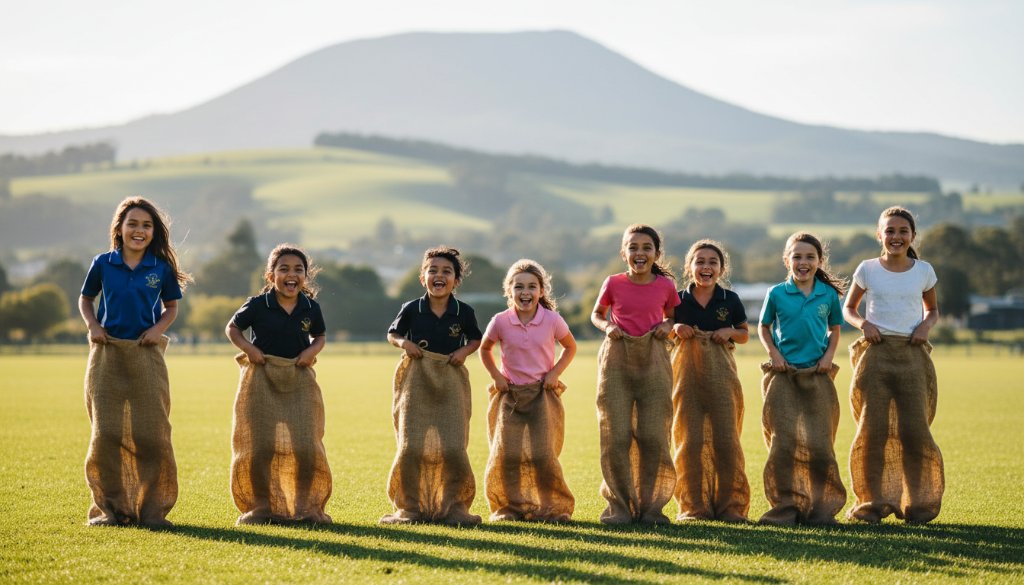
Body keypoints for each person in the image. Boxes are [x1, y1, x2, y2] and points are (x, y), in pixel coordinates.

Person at [79, 196, 192, 527]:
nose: (139, 230)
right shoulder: (102, 263)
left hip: (146, 354)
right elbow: (86, 299)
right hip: (107, 352)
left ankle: (153, 511)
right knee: (107, 433)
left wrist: (157, 330)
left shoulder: (161, 268)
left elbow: (171, 307)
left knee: (152, 433)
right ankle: (110, 511)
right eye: (133, 224)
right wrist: (93, 326)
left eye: (146, 225)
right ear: (119, 228)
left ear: (153, 231)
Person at [843, 206, 943, 524]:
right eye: (889, 231)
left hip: (912, 356)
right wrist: (863, 325)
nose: (896, 237)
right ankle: (871, 504)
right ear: (879, 235)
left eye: (902, 231)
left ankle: (919, 505)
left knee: (915, 431)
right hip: (876, 354)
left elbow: (932, 311)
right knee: (872, 431)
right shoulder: (867, 269)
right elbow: (849, 309)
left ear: (912, 236)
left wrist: (925, 328)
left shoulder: (923, 270)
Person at [226, 244, 332, 525]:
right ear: (270, 275)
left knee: (305, 446)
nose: (291, 274)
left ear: (306, 277)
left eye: (298, 269)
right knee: (260, 447)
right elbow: (232, 328)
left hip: (299, 380)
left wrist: (311, 352)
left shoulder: (311, 307)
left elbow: (320, 336)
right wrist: (250, 350)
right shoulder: (258, 304)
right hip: (261, 379)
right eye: (283, 268)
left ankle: (305, 507)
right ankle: (261, 507)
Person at [381, 246, 483, 525]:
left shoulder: (464, 311)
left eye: (446, 271)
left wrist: (463, 352)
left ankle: (454, 509)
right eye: (433, 270)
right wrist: (404, 344)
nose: (439, 275)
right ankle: (410, 509)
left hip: (450, 380)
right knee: (412, 446)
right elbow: (393, 333)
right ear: (422, 277)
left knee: (452, 447)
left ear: (456, 280)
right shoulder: (412, 308)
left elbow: (476, 339)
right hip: (416, 379)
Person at [591, 224, 680, 524]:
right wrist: (608, 327)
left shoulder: (666, 286)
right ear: (623, 252)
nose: (639, 253)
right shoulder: (613, 283)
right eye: (633, 247)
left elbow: (673, 316)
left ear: (656, 253)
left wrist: (667, 327)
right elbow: (596, 314)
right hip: (616, 359)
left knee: (653, 435)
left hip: (654, 360)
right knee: (616, 437)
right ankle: (619, 508)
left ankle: (651, 508)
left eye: (646, 248)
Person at [757, 232, 847, 525]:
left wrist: (828, 358)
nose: (803, 262)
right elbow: (763, 327)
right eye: (797, 256)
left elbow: (835, 329)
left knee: (819, 444)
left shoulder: (828, 295)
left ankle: (821, 509)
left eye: (810, 257)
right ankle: (785, 507)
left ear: (820, 261)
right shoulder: (776, 293)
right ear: (787, 260)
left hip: (817, 376)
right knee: (784, 444)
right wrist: (775, 355)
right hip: (784, 376)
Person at [479, 259, 578, 522]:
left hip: (542, 395)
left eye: (532, 286)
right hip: (509, 395)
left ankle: (552, 508)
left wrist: (555, 373)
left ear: (541, 291)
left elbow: (570, 347)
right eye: (519, 286)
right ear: (509, 291)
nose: (526, 292)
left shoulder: (552, 320)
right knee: (507, 454)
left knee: (543, 454)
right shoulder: (500, 321)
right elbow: (485, 349)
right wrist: (496, 376)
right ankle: (508, 509)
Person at [670, 239, 750, 522]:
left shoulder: (730, 300)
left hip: (722, 377)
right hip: (685, 378)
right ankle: (693, 507)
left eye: (712, 262)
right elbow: (664, 329)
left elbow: (744, 333)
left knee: (726, 440)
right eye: (700, 262)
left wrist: (728, 331)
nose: (706, 267)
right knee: (689, 441)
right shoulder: (677, 299)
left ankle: (731, 507)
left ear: (721, 268)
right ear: (689, 267)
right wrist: (676, 327)